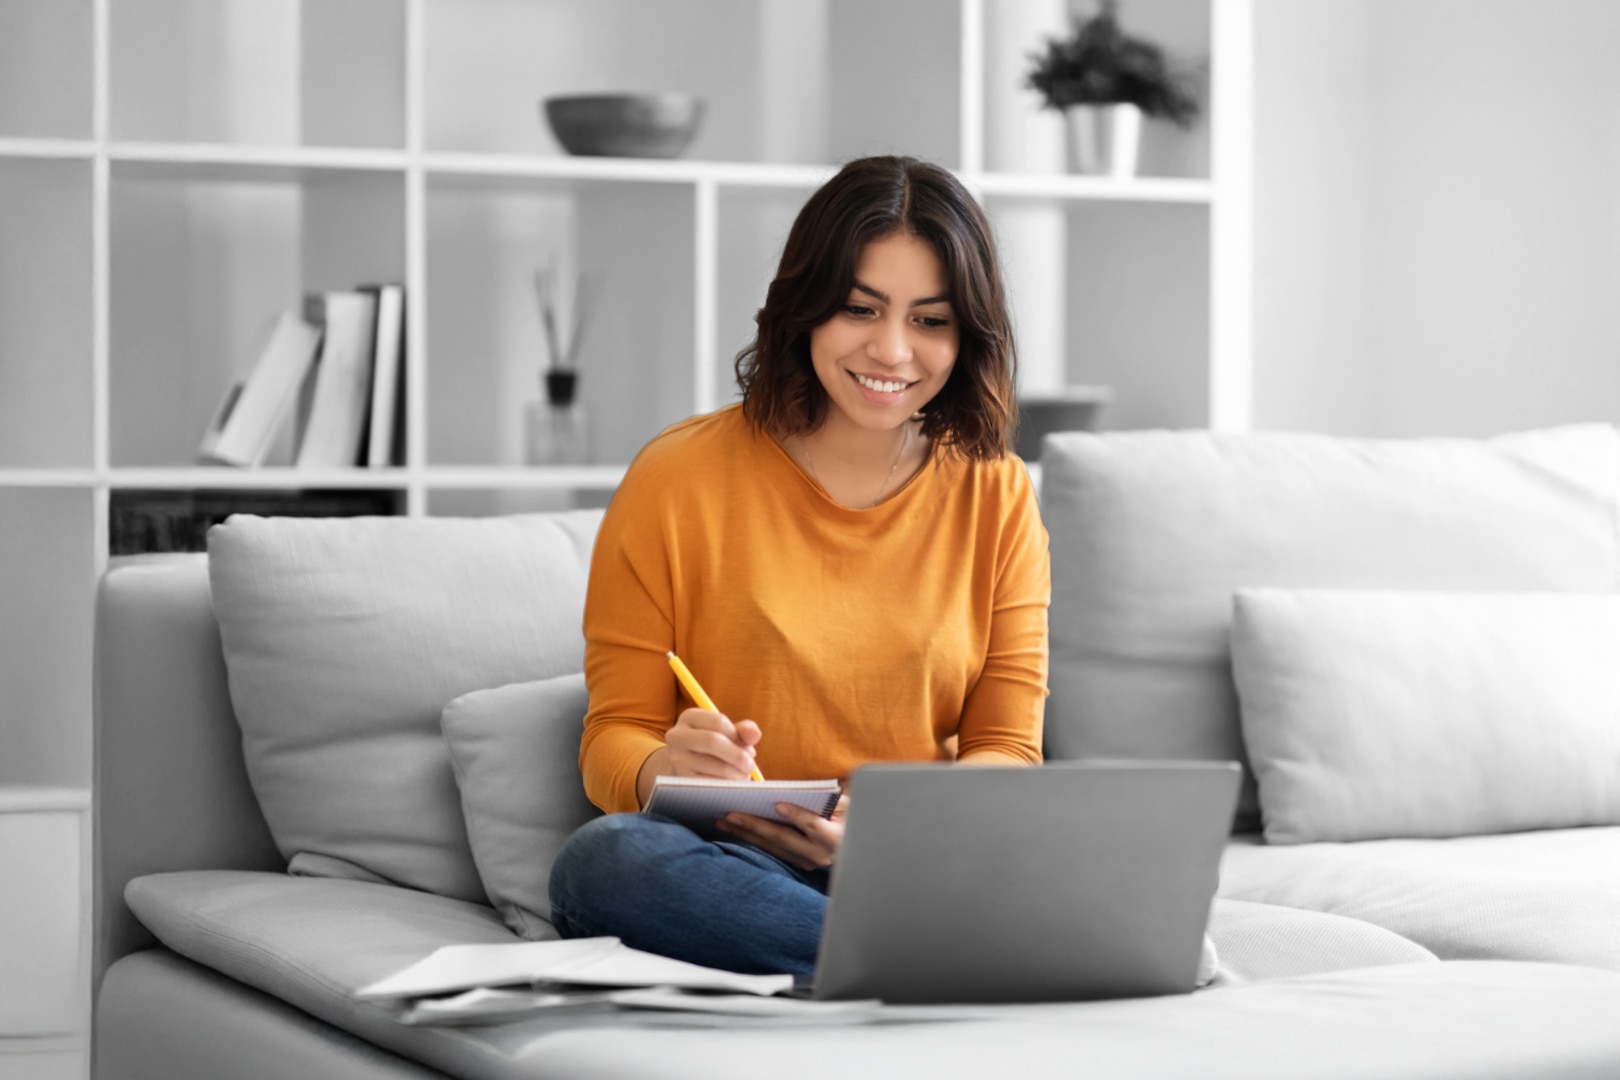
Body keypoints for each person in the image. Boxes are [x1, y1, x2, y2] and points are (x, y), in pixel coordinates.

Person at [546, 155, 1051, 977]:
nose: (892, 350)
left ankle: (880, 964)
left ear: (968, 335)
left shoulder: (997, 492)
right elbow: (614, 737)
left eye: (931, 320)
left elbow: (1006, 750)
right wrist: (661, 769)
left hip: (914, 861)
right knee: (603, 861)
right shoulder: (675, 479)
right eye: (860, 309)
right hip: (744, 862)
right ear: (804, 307)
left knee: (1106, 873)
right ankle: (946, 970)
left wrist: (887, 840)